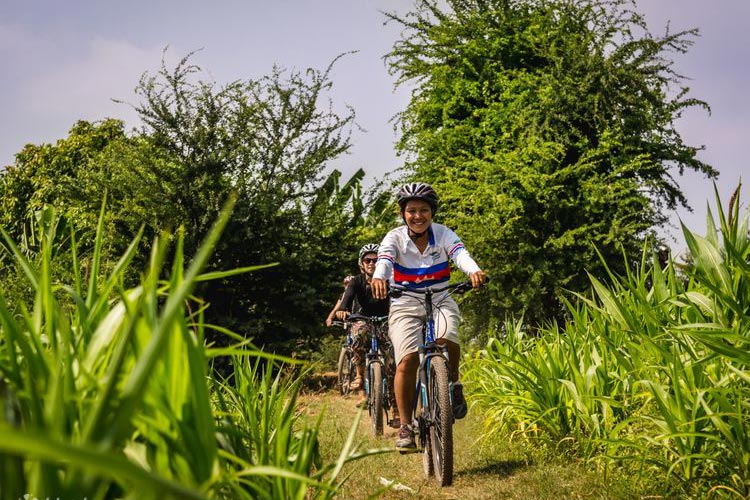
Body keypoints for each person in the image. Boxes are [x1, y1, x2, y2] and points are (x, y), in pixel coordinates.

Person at [371, 182, 486, 450]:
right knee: (407, 359)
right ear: (403, 214)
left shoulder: (444, 234)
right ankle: (406, 426)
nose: (418, 216)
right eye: (411, 210)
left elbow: (460, 254)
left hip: (441, 297)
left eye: (424, 210)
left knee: (449, 337)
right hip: (405, 302)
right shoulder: (394, 238)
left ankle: (454, 384)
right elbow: (385, 261)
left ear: (432, 212)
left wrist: (474, 271)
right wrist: (379, 278)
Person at [335, 245, 397, 422]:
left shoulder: (389, 280)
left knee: (392, 364)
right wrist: (342, 310)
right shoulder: (356, 281)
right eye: (367, 260)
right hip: (364, 320)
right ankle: (360, 376)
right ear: (362, 264)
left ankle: (396, 409)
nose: (372, 263)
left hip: (385, 321)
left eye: (376, 260)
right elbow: (346, 299)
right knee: (359, 333)